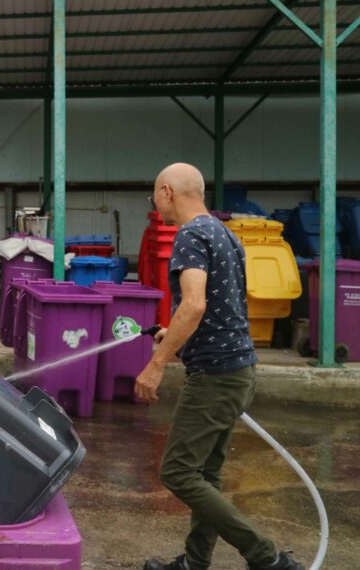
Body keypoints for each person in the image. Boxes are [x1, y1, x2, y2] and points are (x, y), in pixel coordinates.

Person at [136, 163, 302, 570]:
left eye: (155, 194)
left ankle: (265, 556)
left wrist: (157, 364)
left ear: (167, 192)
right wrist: (173, 334)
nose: (155, 204)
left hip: (214, 377)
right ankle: (195, 562)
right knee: (204, 475)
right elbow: (220, 307)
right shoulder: (224, 233)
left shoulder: (190, 235)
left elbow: (194, 304)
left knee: (177, 472)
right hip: (238, 369)